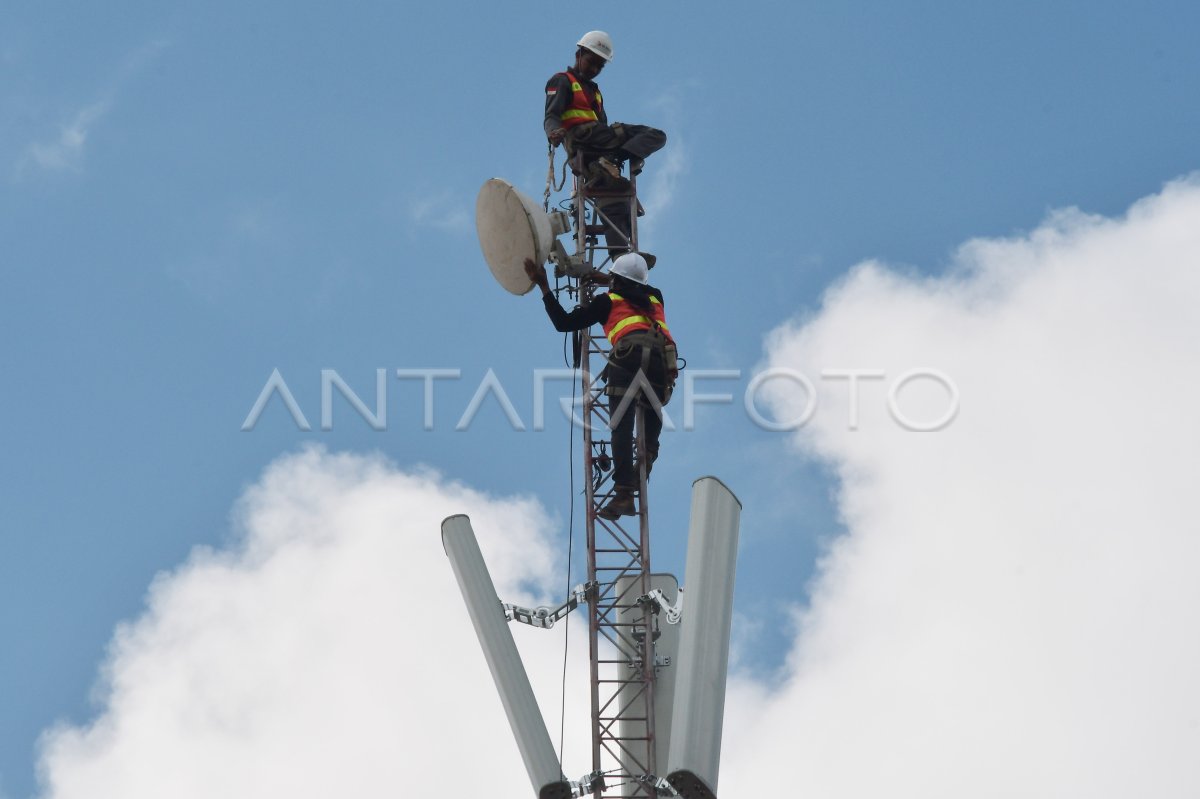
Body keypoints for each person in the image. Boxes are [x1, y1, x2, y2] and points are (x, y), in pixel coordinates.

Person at [524, 252, 677, 520]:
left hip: (629, 361)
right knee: (651, 410)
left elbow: (564, 323)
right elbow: (634, 286)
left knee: (621, 425)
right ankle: (648, 455)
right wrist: (608, 278)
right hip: (661, 365)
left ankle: (625, 494)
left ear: (615, 280)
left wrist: (544, 285)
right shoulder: (656, 297)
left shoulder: (606, 302)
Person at [544, 31, 667, 190]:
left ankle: (605, 166)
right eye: (591, 62)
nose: (594, 69)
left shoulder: (595, 92)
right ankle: (612, 160)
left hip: (596, 144)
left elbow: (602, 124)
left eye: (600, 66)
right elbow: (551, 115)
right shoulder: (563, 80)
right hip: (582, 138)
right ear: (578, 55)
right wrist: (553, 132)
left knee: (616, 193)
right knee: (655, 135)